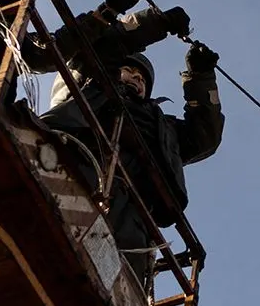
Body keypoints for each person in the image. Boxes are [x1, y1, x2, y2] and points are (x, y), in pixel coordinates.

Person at [40, 26, 225, 286]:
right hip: (79, 173)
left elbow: (205, 135)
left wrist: (201, 77)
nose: (137, 79)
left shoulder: (164, 129)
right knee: (52, 236)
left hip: (133, 215)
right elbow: (93, 51)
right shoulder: (89, 86)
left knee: (122, 274)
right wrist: (146, 27)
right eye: (130, 71)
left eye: (142, 78)